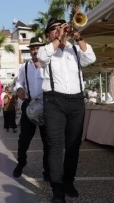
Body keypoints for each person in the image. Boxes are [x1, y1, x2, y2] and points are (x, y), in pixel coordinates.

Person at [38, 17, 96, 203]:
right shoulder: (45, 50)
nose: (58, 30)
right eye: (54, 29)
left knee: (73, 145)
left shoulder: (75, 49)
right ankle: (57, 188)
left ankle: (69, 182)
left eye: (60, 28)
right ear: (48, 34)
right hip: (54, 101)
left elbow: (91, 58)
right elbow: (41, 58)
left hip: (76, 100)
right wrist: (58, 39)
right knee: (55, 145)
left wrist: (77, 36)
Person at [13, 37, 50, 181]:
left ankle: (47, 170)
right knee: (24, 139)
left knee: (47, 141)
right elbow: (18, 83)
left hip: (47, 106)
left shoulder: (48, 64)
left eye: (38, 48)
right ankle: (21, 162)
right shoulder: (25, 67)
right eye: (32, 48)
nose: (35, 51)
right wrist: (20, 89)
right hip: (29, 106)